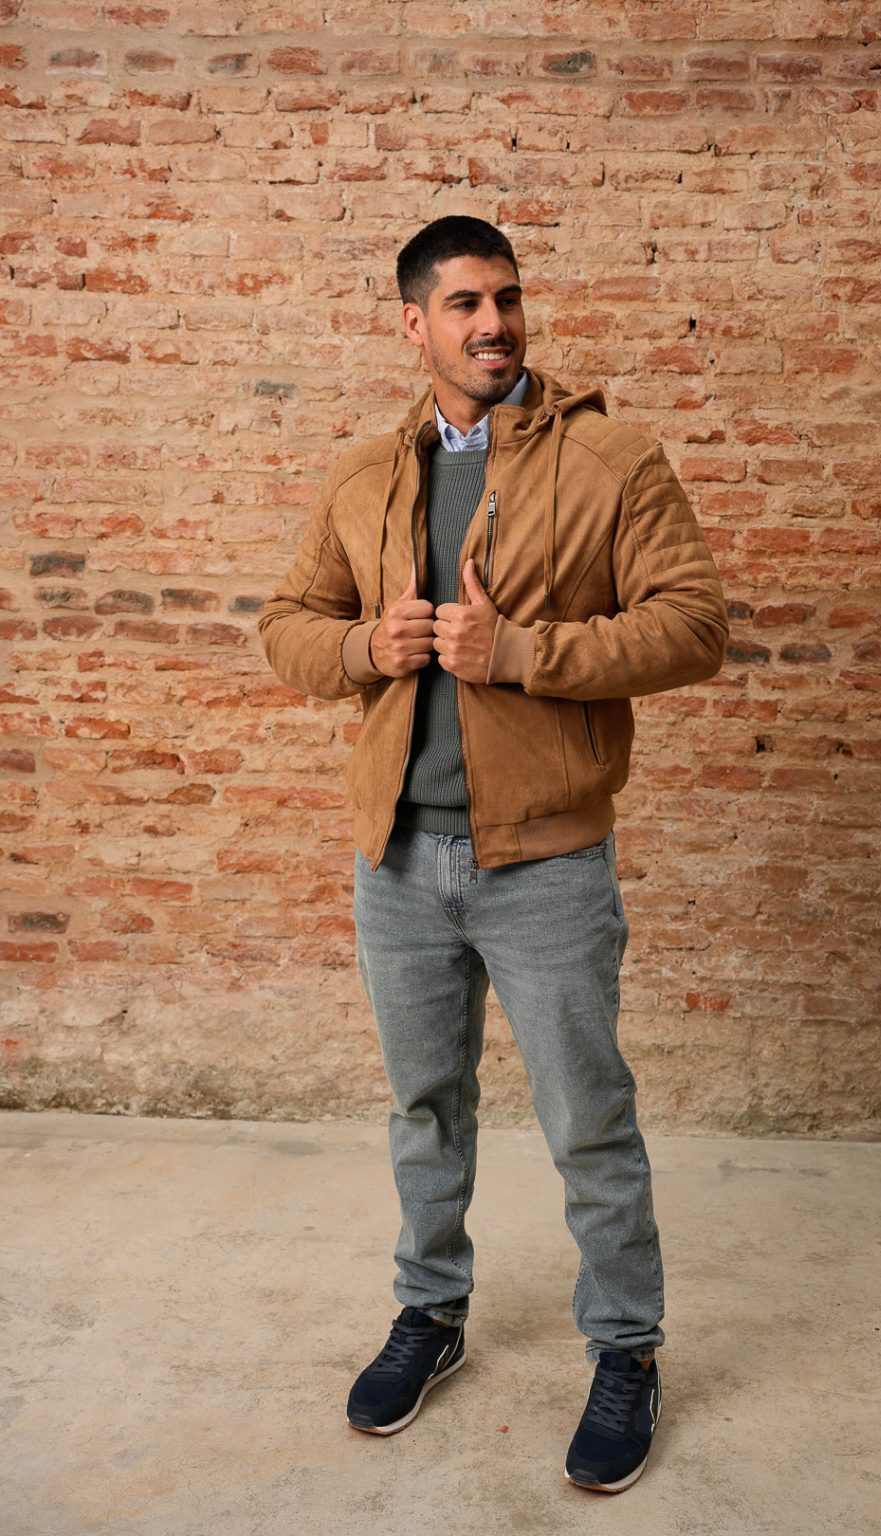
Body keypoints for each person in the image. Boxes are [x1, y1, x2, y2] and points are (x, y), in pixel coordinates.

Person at [257, 215, 728, 1493]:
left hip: (547, 866)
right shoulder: (368, 475)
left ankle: (625, 1349)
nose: (493, 324)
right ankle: (433, 1311)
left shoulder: (611, 459)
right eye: (463, 303)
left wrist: (523, 652)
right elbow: (289, 625)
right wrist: (363, 648)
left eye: (506, 299)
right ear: (413, 324)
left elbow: (694, 626)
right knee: (425, 1107)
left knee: (587, 1120)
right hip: (398, 862)